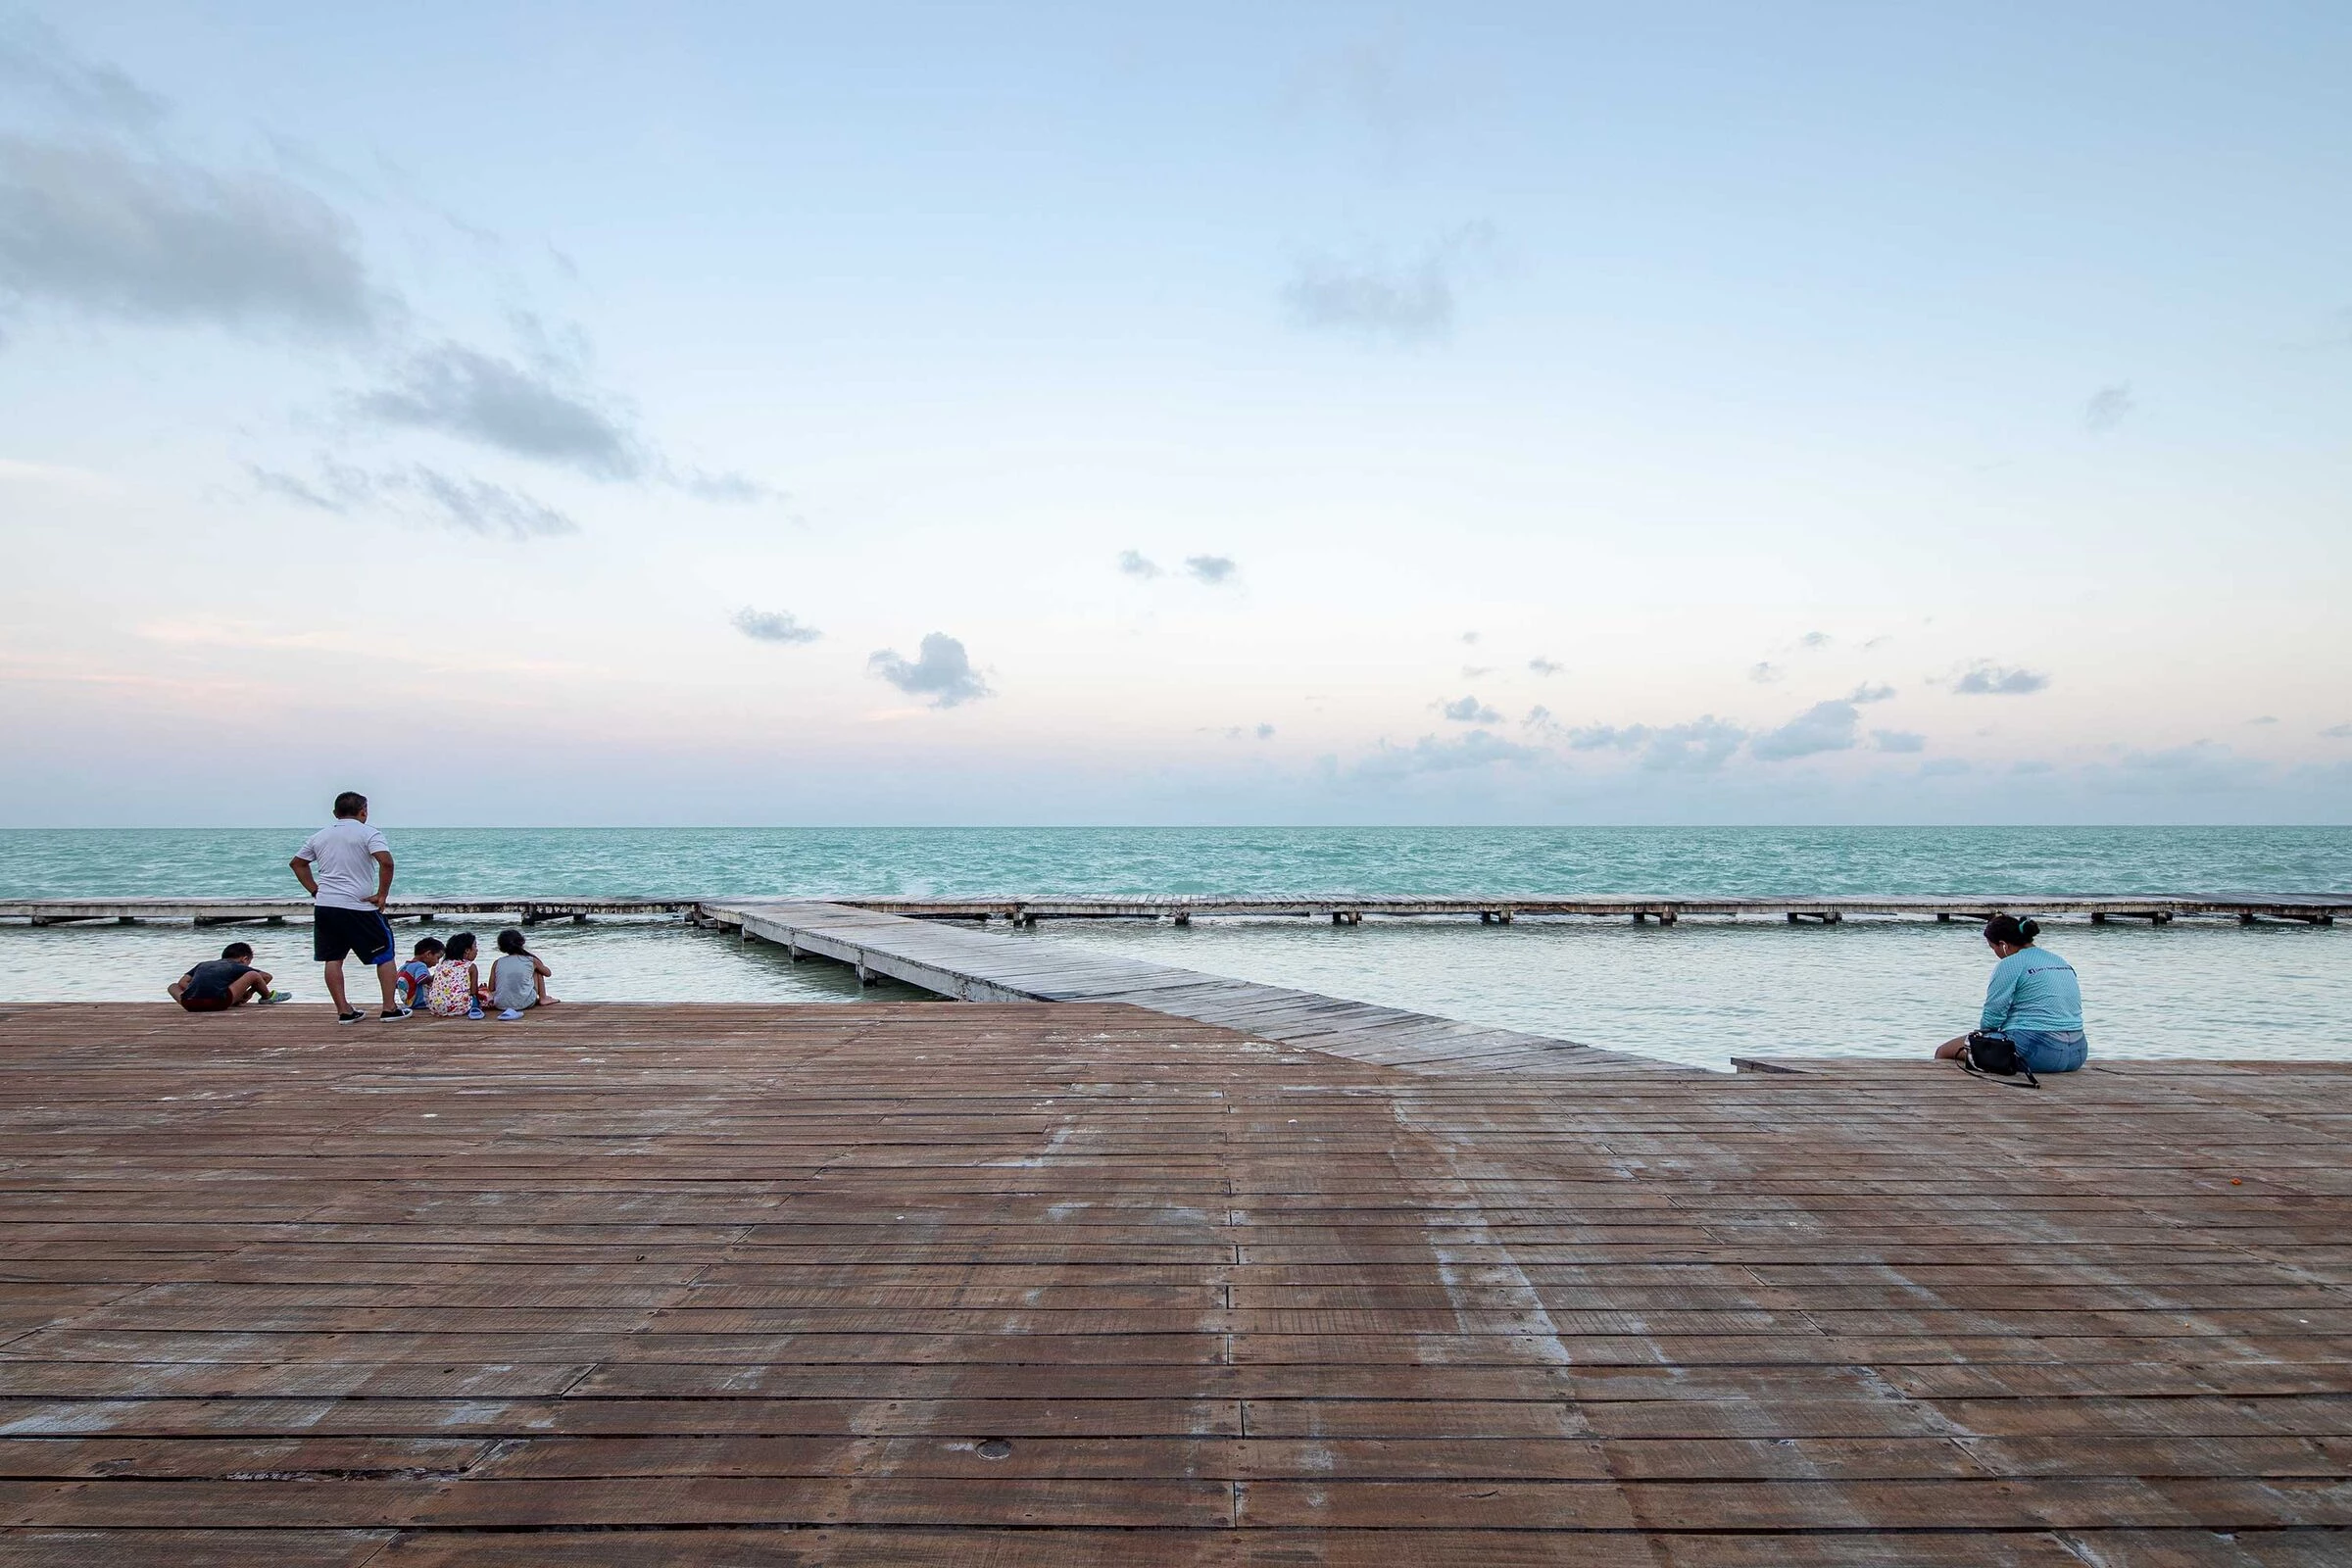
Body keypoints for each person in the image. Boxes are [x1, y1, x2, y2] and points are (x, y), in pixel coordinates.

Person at [290, 791, 408, 1025]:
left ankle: (344, 1011)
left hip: (326, 906)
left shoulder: (319, 836)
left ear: (335, 813)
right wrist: (382, 894)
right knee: (385, 954)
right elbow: (386, 861)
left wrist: (315, 890)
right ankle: (389, 1008)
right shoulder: (369, 833)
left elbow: (297, 864)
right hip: (358, 906)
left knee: (333, 957)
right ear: (364, 811)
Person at [1936, 914, 2088, 1073]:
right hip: (2077, 1054)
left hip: (2037, 1054)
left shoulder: (2010, 964)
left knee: (1944, 1052)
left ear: (2003, 945)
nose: (1995, 952)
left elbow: (1992, 1018)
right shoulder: (2059, 961)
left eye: (1992, 947)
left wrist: (1984, 1039)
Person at [169, 942, 284, 1011]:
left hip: (190, 1004)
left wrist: (198, 990)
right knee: (253, 974)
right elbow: (267, 976)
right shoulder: (236, 966)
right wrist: (249, 993)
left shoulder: (204, 964)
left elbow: (182, 982)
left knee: (172, 986)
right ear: (245, 959)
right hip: (218, 1002)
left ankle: (194, 997)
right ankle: (267, 997)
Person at [486, 928, 559, 1019]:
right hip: (525, 1003)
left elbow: (491, 988)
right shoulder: (530, 960)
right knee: (537, 970)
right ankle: (543, 998)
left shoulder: (497, 963)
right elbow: (548, 973)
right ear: (521, 943)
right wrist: (537, 963)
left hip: (500, 1004)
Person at [426, 931, 487, 1019]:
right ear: (467, 950)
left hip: (435, 1007)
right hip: (458, 1007)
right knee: (477, 998)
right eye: (475, 946)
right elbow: (473, 992)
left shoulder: (442, 964)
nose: (477, 950)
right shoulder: (470, 966)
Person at [396, 938, 445, 1012]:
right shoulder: (420, 965)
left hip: (409, 1004)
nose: (437, 962)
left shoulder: (403, 968)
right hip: (422, 1004)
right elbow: (421, 979)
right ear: (428, 954)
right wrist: (435, 977)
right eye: (437, 958)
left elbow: (396, 984)